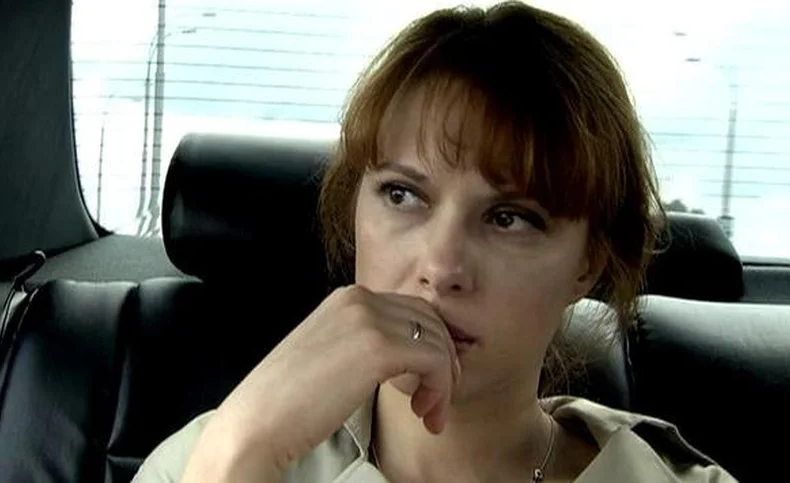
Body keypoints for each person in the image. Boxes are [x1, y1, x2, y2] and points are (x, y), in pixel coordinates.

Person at [133, 2, 737, 482]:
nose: (441, 266)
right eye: (402, 195)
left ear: (588, 262)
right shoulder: (212, 456)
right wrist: (239, 458)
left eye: (510, 218)